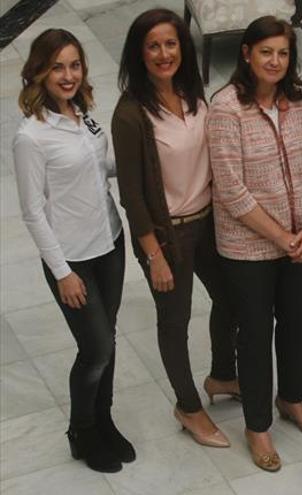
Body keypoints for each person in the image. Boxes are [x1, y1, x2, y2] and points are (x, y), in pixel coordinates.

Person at [113, 8, 236, 449]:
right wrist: (154, 254)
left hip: (210, 223)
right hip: (169, 236)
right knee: (175, 322)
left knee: (232, 299)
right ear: (139, 54)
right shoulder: (130, 115)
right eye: (153, 46)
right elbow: (132, 195)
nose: (164, 54)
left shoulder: (191, 90)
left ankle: (222, 375)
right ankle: (188, 406)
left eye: (171, 43)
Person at [13, 28, 134, 474]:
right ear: (40, 73)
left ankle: (105, 420)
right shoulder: (32, 137)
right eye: (57, 67)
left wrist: (137, 159)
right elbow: (31, 212)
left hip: (111, 242)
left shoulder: (82, 113)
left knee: (110, 338)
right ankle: (82, 431)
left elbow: (99, 168)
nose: (68, 75)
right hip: (73, 258)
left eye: (75, 65)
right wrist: (62, 271)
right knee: (96, 348)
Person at [207, 16, 302, 472]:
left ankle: (292, 399)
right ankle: (256, 427)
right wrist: (282, 236)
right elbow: (231, 191)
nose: (275, 61)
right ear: (246, 54)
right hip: (248, 247)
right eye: (266, 52)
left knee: (300, 324)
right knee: (255, 336)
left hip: (300, 239)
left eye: (283, 53)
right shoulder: (225, 108)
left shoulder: (297, 102)